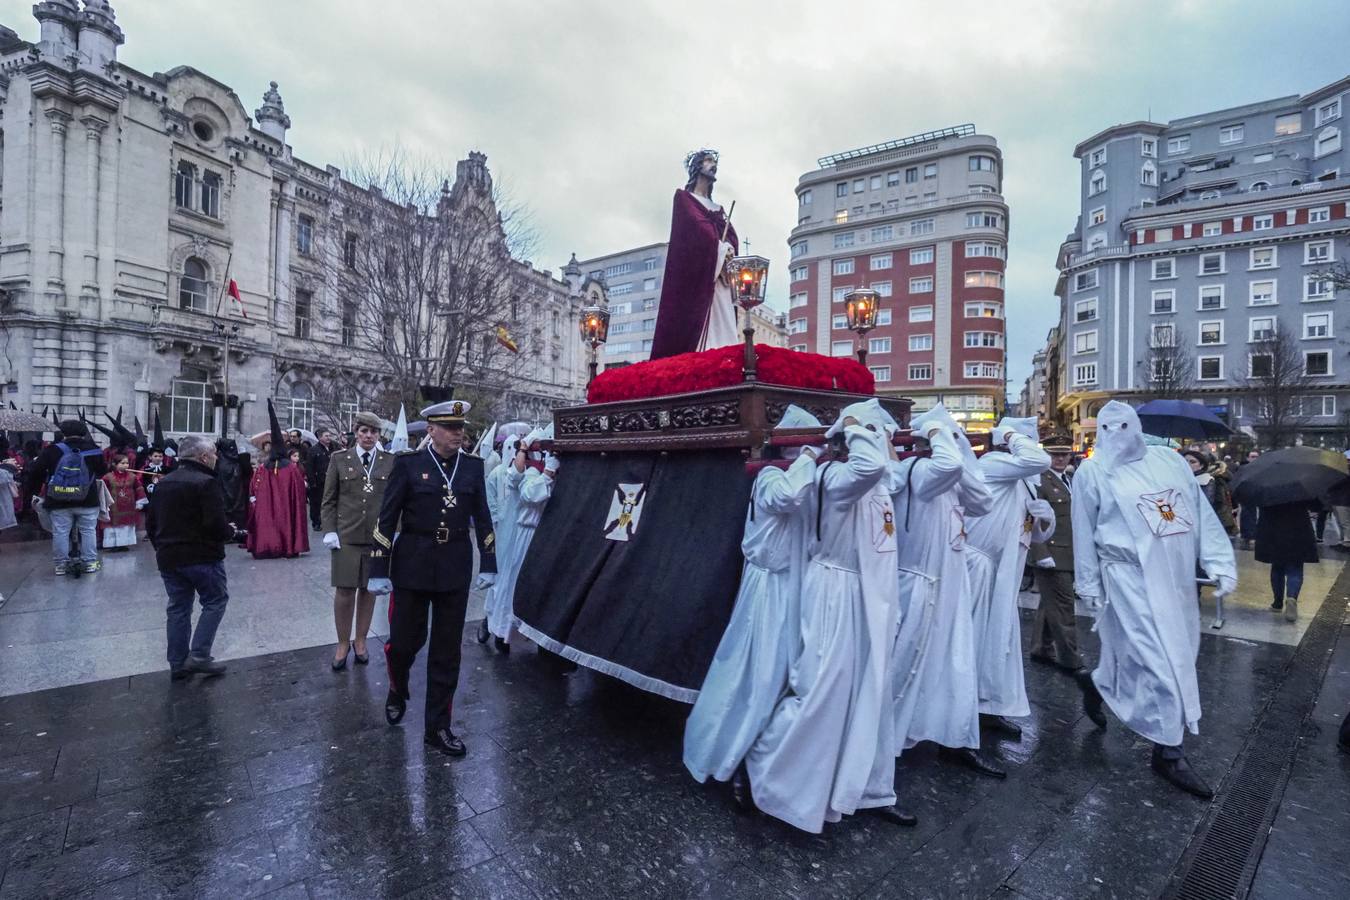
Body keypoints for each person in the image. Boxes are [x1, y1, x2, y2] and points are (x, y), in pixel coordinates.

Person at [745, 399, 913, 832]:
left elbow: (887, 469)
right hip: (834, 591)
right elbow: (870, 467)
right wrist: (855, 423)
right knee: (818, 687)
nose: (882, 443)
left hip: (869, 594)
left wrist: (873, 430)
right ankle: (766, 771)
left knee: (867, 692)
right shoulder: (837, 477)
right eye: (876, 436)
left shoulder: (874, 479)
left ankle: (866, 787)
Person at [1071, 401, 1237, 798]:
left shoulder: (1169, 461)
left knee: (1178, 655)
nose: (1116, 435)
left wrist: (1218, 561)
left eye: (1124, 425)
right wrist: (1090, 587)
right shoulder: (1093, 472)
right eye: (1107, 428)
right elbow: (1083, 529)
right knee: (1158, 662)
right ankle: (1169, 751)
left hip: (1174, 577)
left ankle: (1098, 683)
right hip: (1127, 578)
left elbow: (1198, 513)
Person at [684, 406, 822, 799]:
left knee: (786, 674)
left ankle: (770, 757)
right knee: (757, 674)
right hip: (768, 589)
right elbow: (788, 497)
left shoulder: (804, 476)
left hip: (794, 586)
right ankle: (735, 755)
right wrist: (811, 456)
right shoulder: (771, 478)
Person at [367, 393, 497, 757]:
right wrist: (379, 568)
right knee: (405, 642)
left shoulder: (472, 467)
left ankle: (437, 727)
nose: (458, 434)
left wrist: (489, 560)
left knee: (447, 651)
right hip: (412, 563)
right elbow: (387, 517)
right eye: (450, 428)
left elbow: (483, 515)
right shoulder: (409, 464)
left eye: (461, 428)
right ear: (432, 429)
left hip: (454, 563)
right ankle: (398, 685)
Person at [888, 404, 1002, 777]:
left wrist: (961, 449)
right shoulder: (918, 470)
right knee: (903, 668)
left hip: (949, 582)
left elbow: (982, 500)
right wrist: (941, 436)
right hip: (920, 583)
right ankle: (885, 743)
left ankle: (953, 736)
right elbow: (948, 466)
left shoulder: (947, 472)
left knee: (954, 665)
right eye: (951, 437)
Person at [965, 417, 1054, 741]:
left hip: (1004, 572)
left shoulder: (1024, 479)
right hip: (979, 569)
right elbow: (1038, 459)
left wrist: (1047, 522)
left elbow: (1029, 527)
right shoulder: (994, 462)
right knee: (974, 643)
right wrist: (1012, 434)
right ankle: (964, 715)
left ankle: (989, 707)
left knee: (998, 645)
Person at [147, 435, 234, 680]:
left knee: (178, 607)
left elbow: (151, 523)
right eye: (214, 453)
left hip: (169, 556)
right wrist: (231, 532)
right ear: (203, 457)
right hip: (202, 556)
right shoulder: (206, 483)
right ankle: (199, 655)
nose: (216, 457)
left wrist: (162, 547)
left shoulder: (165, 482)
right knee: (215, 600)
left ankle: (177, 661)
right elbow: (215, 524)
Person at [648, 148, 740, 359]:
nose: (713, 165)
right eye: (708, 160)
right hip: (697, 279)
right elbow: (695, 234)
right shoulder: (684, 199)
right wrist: (719, 248)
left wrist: (728, 249)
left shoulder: (719, 208)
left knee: (724, 321)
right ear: (697, 166)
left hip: (719, 277)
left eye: (714, 161)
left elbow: (731, 236)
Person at [320, 411, 395, 670]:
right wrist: (330, 529)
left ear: (378, 435)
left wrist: (394, 531)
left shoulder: (388, 461)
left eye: (373, 432)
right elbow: (329, 499)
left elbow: (394, 502)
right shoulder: (340, 459)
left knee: (369, 589)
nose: (369, 436)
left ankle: (360, 641)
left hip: (376, 538)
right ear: (356, 432)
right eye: (364, 431)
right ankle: (342, 643)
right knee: (344, 591)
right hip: (347, 536)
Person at [480, 425, 558, 653]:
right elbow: (528, 494)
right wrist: (547, 472)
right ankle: (497, 626)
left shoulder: (537, 472)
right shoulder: (528, 472)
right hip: (518, 533)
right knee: (507, 581)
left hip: (540, 537)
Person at [1029, 434, 1083, 672]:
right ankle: (1072, 661)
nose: (1060, 458)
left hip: (1068, 552)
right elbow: (1031, 519)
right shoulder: (1039, 481)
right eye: (1055, 454)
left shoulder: (1069, 479)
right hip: (1051, 553)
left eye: (1065, 453)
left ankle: (1041, 647)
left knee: (1050, 604)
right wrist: (1040, 553)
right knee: (1064, 608)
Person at [30, 419, 108, 575]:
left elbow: (36, 471)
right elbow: (102, 471)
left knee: (60, 532)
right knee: (88, 531)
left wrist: (36, 490)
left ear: (63, 432)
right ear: (84, 432)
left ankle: (61, 565)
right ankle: (90, 563)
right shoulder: (94, 449)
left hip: (58, 499)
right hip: (87, 498)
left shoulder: (52, 450)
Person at [246, 401, 310, 559]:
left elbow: (254, 487)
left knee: (269, 519)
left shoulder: (262, 468)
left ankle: (267, 544)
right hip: (286, 506)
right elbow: (298, 493)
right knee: (286, 518)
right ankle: (286, 545)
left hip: (266, 505)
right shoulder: (291, 468)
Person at [1255, 500, 1318, 622]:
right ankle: (1291, 598)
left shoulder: (1267, 484)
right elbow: (1316, 505)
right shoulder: (1301, 483)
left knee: (1277, 566)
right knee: (1295, 567)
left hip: (1273, 528)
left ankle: (1277, 603)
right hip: (1299, 528)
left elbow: (1261, 504)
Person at [99, 453, 147, 550]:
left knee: (126, 526)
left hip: (129, 507)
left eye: (127, 463)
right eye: (122, 463)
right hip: (113, 507)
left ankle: (124, 544)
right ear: (114, 464)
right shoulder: (107, 477)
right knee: (112, 526)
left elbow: (139, 488)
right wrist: (104, 503)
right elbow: (102, 490)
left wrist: (140, 502)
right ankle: (112, 545)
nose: (126, 465)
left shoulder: (133, 476)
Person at [308, 427, 334, 530]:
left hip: (329, 481)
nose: (328, 438)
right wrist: (312, 482)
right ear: (319, 437)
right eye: (326, 436)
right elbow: (309, 467)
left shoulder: (332, 448)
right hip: (318, 482)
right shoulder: (313, 450)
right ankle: (316, 522)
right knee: (316, 503)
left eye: (329, 436)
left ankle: (326, 521)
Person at [1237, 449, 1260, 549]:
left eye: (1256, 456)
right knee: (1247, 514)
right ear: (1248, 458)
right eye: (1252, 456)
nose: (1254, 459)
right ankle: (1247, 534)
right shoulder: (1243, 469)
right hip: (1246, 494)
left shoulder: (1263, 468)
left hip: (1259, 494)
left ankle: (1254, 534)